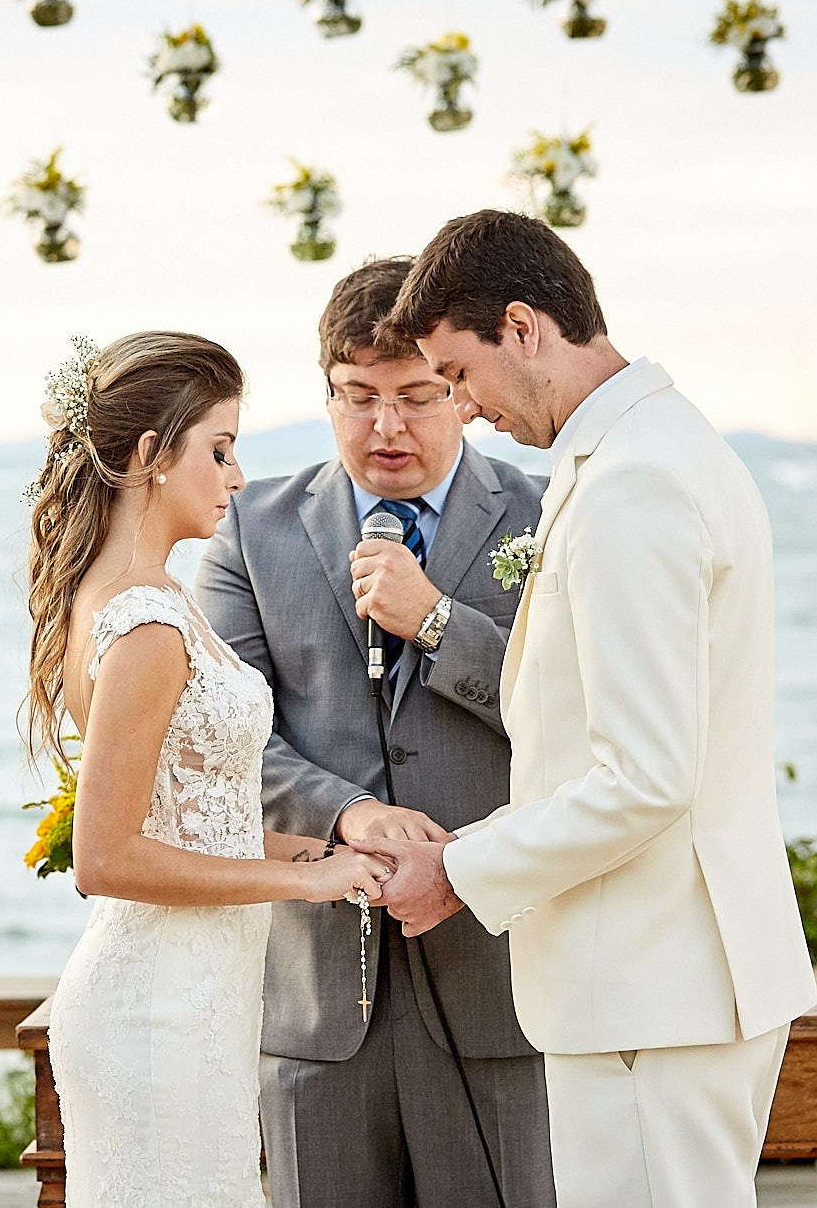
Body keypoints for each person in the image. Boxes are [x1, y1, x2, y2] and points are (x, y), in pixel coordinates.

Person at [362, 210, 817, 1208]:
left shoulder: (635, 482)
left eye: (456, 372)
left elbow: (646, 777)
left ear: (522, 328)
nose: (464, 407)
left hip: (650, 997)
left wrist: (458, 868)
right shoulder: (650, 449)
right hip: (663, 985)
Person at [196, 258, 557, 1208]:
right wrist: (349, 813)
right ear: (326, 395)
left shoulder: (547, 516)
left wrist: (439, 620)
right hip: (318, 998)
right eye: (358, 398)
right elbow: (225, 738)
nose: (385, 427)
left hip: (500, 983)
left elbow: (574, 713)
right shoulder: (250, 528)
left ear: (461, 391)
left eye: (414, 397)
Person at [22, 330, 391, 1208]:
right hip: (156, 1010)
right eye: (219, 449)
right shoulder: (145, 624)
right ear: (152, 456)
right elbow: (105, 858)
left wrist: (322, 855)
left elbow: (187, 816)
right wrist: (301, 885)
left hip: (199, 997)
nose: (235, 476)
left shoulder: (146, 598)